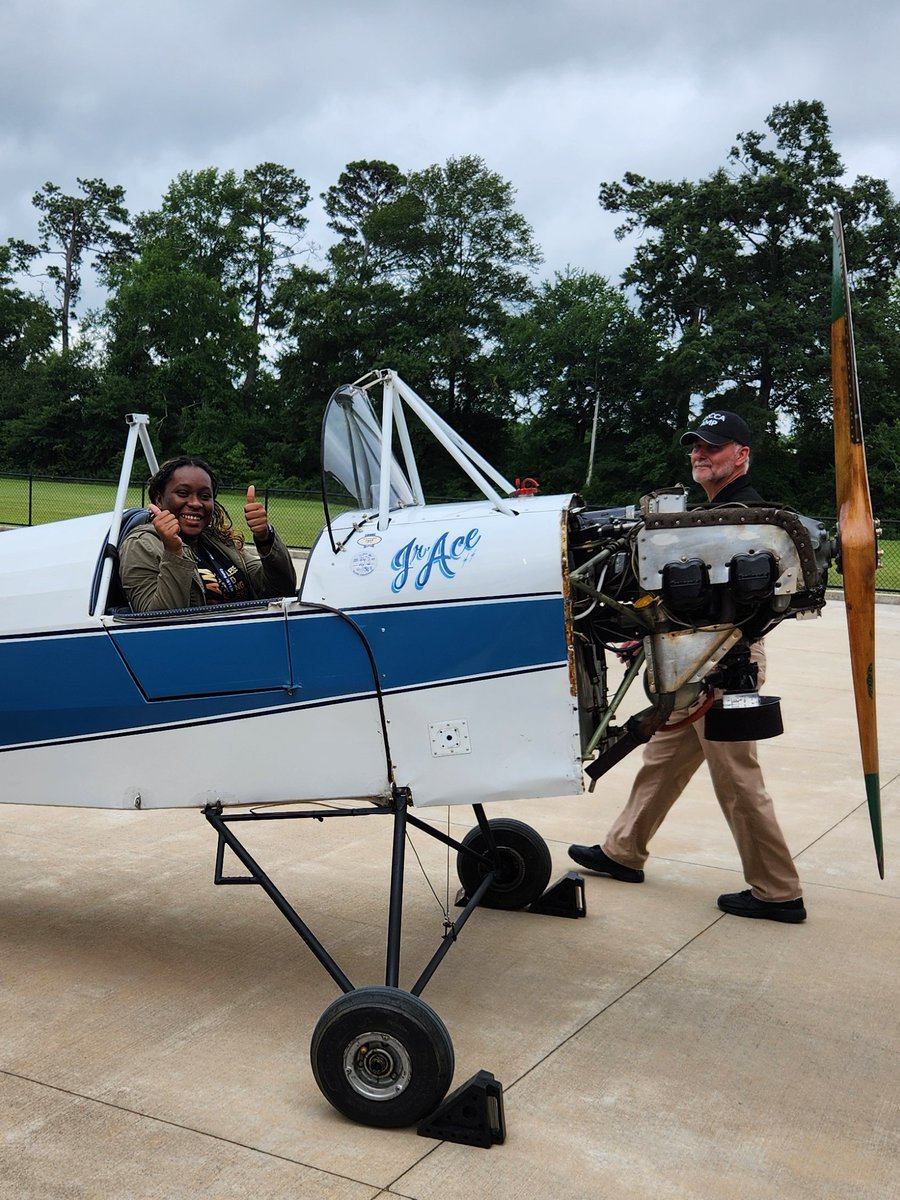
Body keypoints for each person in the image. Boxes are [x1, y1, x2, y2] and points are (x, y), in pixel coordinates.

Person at [569, 410, 807, 924]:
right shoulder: (718, 513)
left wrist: (683, 649)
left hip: (719, 661)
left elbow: (750, 605)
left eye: (714, 447)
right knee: (663, 759)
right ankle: (622, 852)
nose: (701, 453)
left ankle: (778, 892)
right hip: (694, 657)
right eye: (696, 445)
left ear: (741, 455)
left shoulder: (748, 517)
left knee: (738, 780)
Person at [119, 456, 297, 612]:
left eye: (205, 496)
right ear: (159, 499)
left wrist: (265, 538)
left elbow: (281, 590)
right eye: (183, 493)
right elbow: (158, 621)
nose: (196, 503)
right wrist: (173, 552)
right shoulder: (141, 545)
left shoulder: (219, 541)